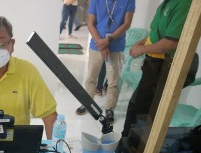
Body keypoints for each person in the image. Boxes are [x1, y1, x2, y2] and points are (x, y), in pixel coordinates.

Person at [121, 0, 192, 138]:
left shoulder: (185, 3)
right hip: (151, 64)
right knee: (135, 107)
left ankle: (134, 149)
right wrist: (142, 42)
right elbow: (156, 32)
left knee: (143, 113)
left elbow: (171, 42)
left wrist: (142, 49)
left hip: (162, 66)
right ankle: (125, 143)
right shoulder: (166, 3)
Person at [75, 0, 135, 124]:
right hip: (96, 45)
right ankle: (87, 103)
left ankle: (109, 109)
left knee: (113, 80)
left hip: (116, 46)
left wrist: (108, 40)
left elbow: (127, 24)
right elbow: (90, 23)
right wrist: (102, 44)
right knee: (91, 77)